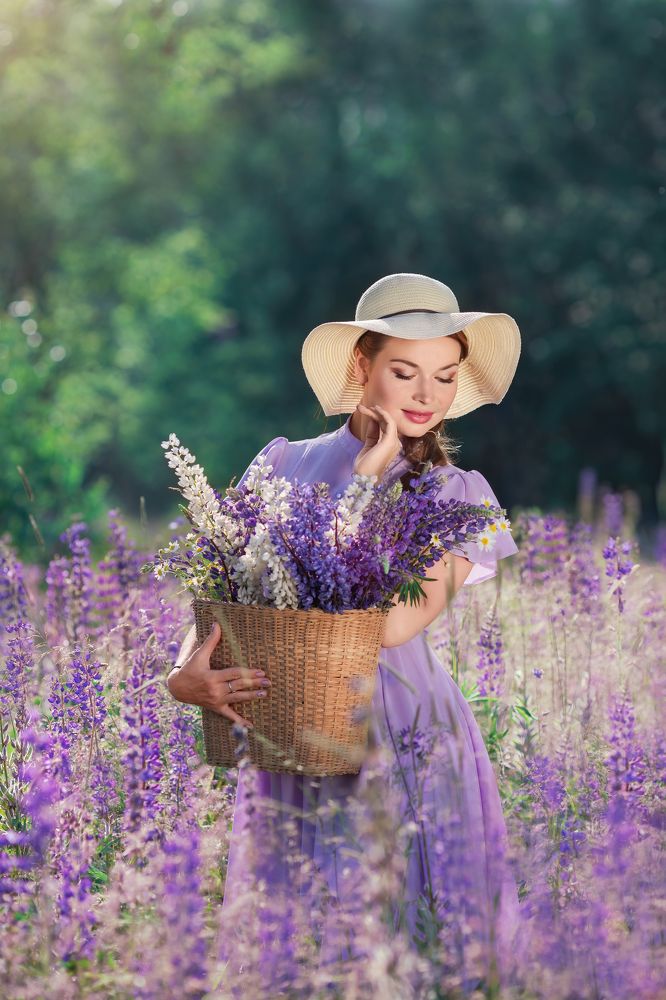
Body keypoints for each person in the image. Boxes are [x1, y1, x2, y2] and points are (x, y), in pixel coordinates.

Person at [167, 273, 526, 990]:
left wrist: (364, 485)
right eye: (404, 371)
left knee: (407, 942)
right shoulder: (280, 463)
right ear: (361, 367)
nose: (426, 394)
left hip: (402, 736)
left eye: (444, 377)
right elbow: (221, 597)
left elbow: (392, 624)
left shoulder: (456, 495)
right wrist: (184, 675)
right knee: (300, 943)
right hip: (292, 733)